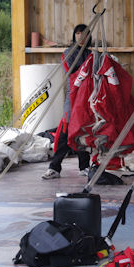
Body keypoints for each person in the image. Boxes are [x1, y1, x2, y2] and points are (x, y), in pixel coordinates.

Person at [42, 24, 92, 179]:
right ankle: (54, 168)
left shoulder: (91, 54)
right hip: (72, 99)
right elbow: (72, 72)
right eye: (77, 34)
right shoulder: (68, 53)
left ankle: (84, 166)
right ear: (74, 36)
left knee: (82, 132)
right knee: (64, 134)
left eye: (84, 34)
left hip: (87, 99)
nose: (80, 37)